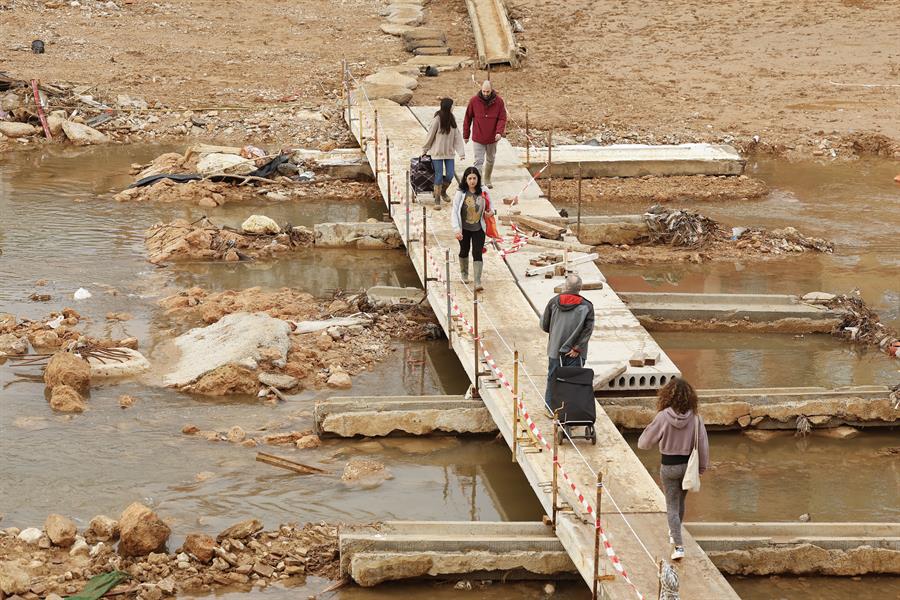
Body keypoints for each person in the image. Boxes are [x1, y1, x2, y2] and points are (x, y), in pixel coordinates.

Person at [637, 378, 710, 561]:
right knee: (680, 503)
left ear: (667, 396)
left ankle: (678, 546)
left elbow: (644, 444)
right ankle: (674, 532)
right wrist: (702, 467)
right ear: (690, 398)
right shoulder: (696, 418)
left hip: (669, 466)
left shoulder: (662, 417)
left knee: (671, 505)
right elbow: (703, 445)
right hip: (688, 467)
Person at [540, 274, 595, 413]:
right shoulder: (587, 306)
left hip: (555, 350)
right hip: (575, 353)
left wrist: (556, 334)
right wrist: (577, 348)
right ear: (580, 288)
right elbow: (588, 330)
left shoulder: (553, 302)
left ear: (565, 286)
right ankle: (571, 411)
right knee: (574, 381)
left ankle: (550, 409)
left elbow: (544, 325)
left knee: (552, 377)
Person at [451, 166, 492, 291]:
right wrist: (456, 229)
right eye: (470, 178)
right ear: (465, 179)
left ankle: (478, 281)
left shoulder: (484, 190)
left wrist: (491, 212)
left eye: (474, 178)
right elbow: (454, 211)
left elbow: (491, 205)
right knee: (464, 250)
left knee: (477, 252)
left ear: (478, 179)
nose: (472, 181)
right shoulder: (460, 193)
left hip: (479, 227)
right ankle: (464, 274)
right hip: (464, 228)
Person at [422, 97, 466, 209]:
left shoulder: (452, 119)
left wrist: (461, 152)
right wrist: (425, 149)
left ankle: (443, 191)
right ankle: (437, 199)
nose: (454, 107)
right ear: (448, 107)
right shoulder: (437, 119)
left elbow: (457, 136)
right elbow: (430, 135)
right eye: (453, 105)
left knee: (450, 174)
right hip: (437, 153)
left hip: (449, 153)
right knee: (438, 176)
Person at [462, 80, 507, 189]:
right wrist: (466, 134)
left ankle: (487, 178)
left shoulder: (499, 102)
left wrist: (499, 132)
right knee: (479, 161)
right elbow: (467, 118)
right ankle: (478, 182)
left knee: (490, 159)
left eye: (488, 91)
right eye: (483, 91)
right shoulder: (474, 101)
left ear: (492, 90)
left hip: (492, 138)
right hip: (478, 137)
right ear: (481, 89)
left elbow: (502, 118)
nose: (485, 94)